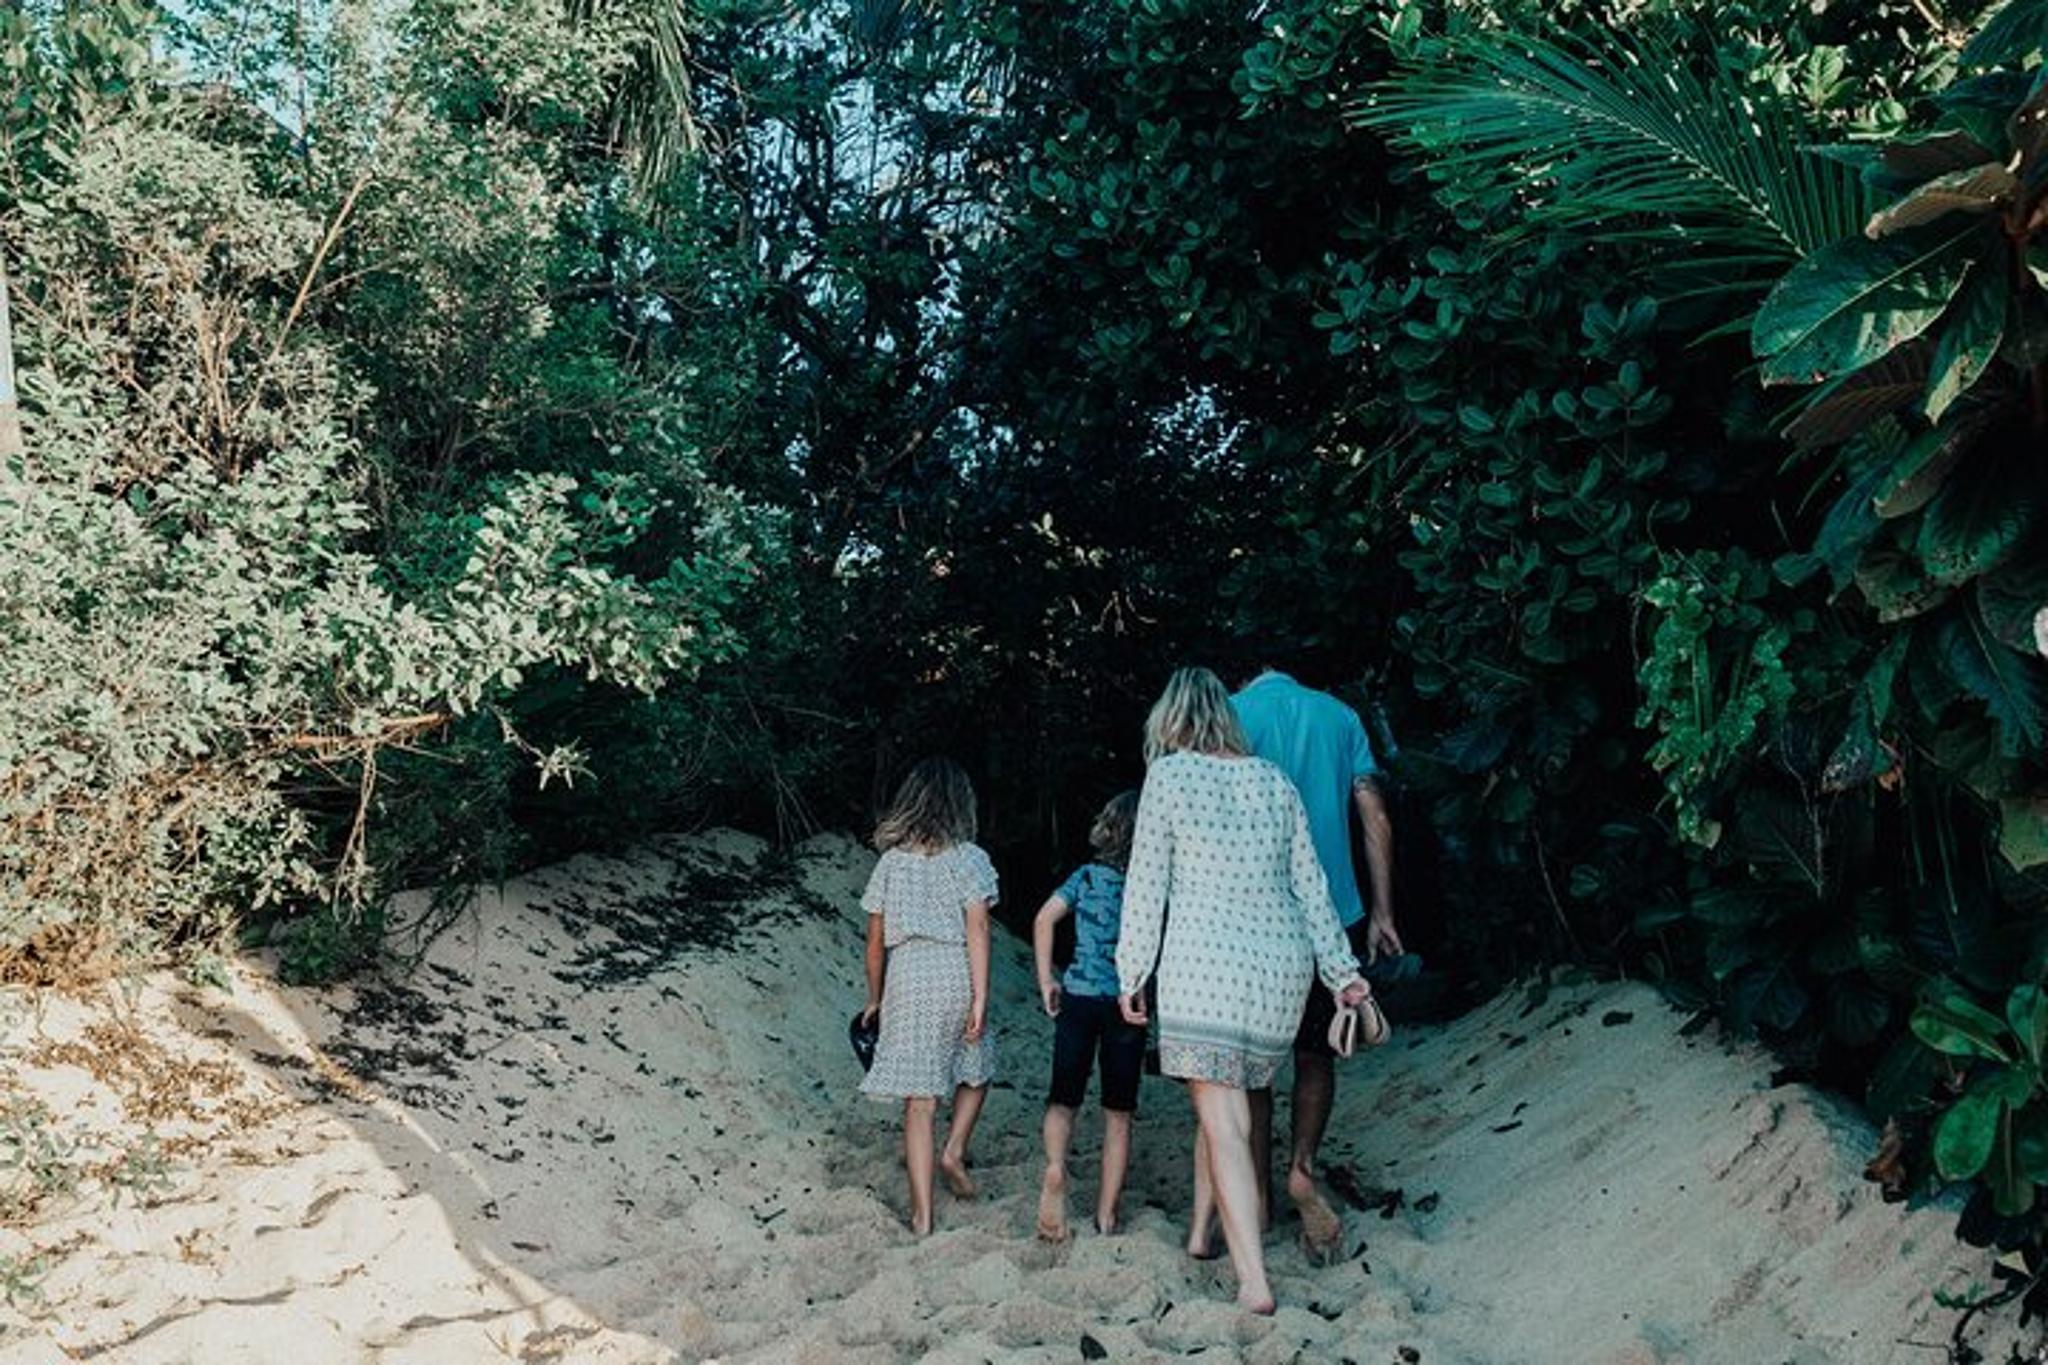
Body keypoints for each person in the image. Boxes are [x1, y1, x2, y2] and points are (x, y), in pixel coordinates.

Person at [1113, 667, 1374, 1314]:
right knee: (1240, 1101)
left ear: (1171, 721)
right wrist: (1343, 974)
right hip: (1279, 973)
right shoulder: (1273, 781)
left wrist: (1131, 973)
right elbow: (1313, 889)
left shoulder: (1169, 778)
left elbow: (1146, 887)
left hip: (1205, 967)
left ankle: (1254, 1279)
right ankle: (1237, 1219)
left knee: (1225, 1120)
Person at [1231, 663, 1403, 1261]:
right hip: (1336, 908)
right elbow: (1374, 815)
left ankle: (1254, 1194)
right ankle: (1302, 1166)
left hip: (1252, 913)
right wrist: (1382, 910)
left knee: (1255, 1063)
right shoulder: (1339, 715)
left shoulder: (1228, 713)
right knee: (1316, 1052)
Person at [857, 757, 998, 1236]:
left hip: (907, 976)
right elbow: (978, 926)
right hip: (955, 967)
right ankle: (954, 1148)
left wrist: (875, 998)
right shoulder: (970, 859)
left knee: (919, 1102)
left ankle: (922, 1217)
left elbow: (874, 943)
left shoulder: (890, 864)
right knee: (975, 1068)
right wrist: (980, 996)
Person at [1032, 790, 1145, 1243]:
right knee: (1118, 1115)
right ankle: (1106, 1214)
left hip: (1077, 997)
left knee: (1063, 1101)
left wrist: (1047, 980)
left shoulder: (1085, 878)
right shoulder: (1149, 887)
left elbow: (1044, 919)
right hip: (1125, 1005)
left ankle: (1056, 1169)